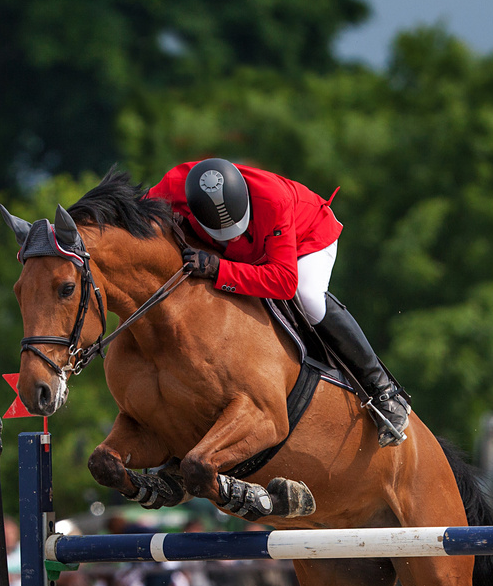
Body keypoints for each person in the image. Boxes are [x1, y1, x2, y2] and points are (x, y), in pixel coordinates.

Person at [148, 158, 411, 446]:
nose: (233, 234)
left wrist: (219, 269)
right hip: (235, 248)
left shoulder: (274, 200)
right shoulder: (172, 186)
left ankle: (383, 391)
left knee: (308, 297)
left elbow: (284, 282)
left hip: (305, 237)